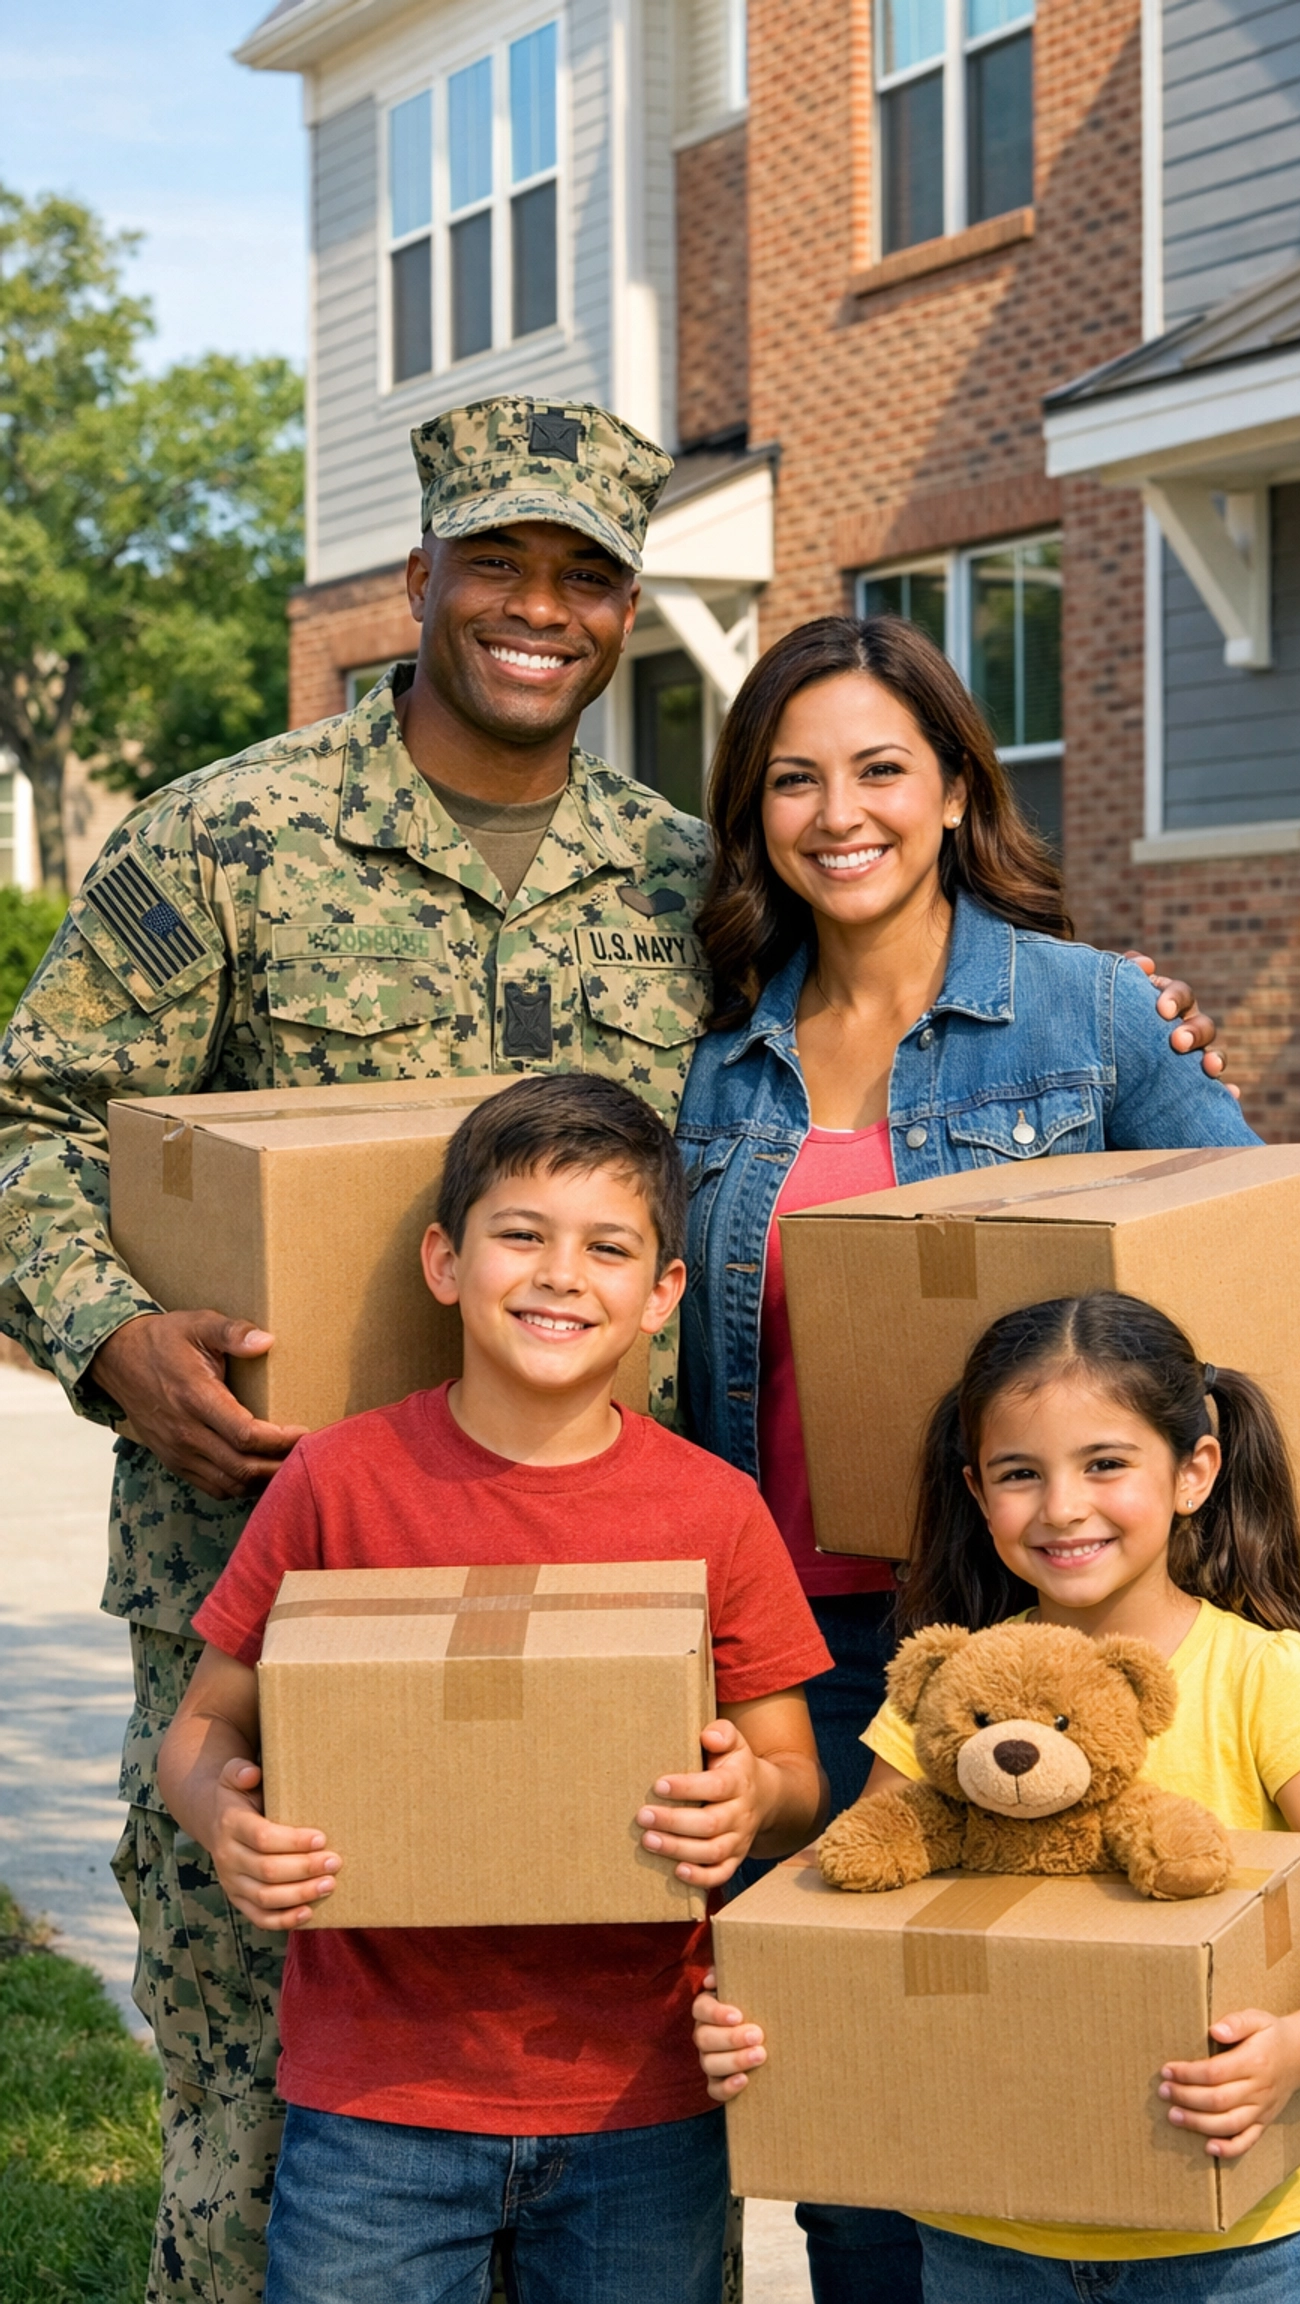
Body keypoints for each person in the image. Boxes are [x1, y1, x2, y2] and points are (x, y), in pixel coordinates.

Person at [0, 381, 1218, 2296]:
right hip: (292, 1576)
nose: (537, 606)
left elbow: (911, 1019)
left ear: (629, 606)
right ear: (418, 572)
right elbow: (32, 1118)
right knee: (267, 2166)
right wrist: (107, 1335)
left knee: (639, 2148)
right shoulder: (223, 837)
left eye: (583, 573)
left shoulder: (689, 882)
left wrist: (1126, 1017)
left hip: (626, 1612)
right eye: (496, 560)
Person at [674, 614, 1300, 2304]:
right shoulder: (714, 1059)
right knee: (870, 2138)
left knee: (1107, 2079)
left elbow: (1262, 1231)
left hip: (1039, 1633)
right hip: (805, 1660)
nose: (841, 812)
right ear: (751, 813)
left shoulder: (1094, 1012)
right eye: (794, 780)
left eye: (882, 767)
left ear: (960, 786)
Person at [156, 1074, 832, 2304]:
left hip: (641, 2094)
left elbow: (793, 1776)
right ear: (445, 1262)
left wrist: (751, 1800)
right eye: (521, 1234)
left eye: (608, 1248)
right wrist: (225, 1821)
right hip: (377, 2093)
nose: (560, 1275)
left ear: (663, 1294)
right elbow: (202, 1726)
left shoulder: (713, 1512)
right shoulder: (338, 1484)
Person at [695, 1290, 1300, 2304]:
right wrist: (759, 2012)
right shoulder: (950, 1693)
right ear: (976, 1491)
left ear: (1194, 1472)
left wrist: (1294, 2051)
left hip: (1226, 2245)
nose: (1062, 1507)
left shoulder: (1260, 1677)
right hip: (984, 2237)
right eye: (1020, 1474)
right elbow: (836, 1912)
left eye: (1105, 1464)